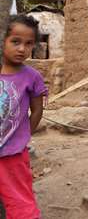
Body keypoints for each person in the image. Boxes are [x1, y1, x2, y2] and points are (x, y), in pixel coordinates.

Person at [0, 15, 47, 219]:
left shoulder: (31, 76)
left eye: (28, 44)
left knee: (19, 201)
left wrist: (23, 135)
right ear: (3, 41)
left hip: (12, 153)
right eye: (15, 42)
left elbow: (37, 110)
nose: (22, 49)